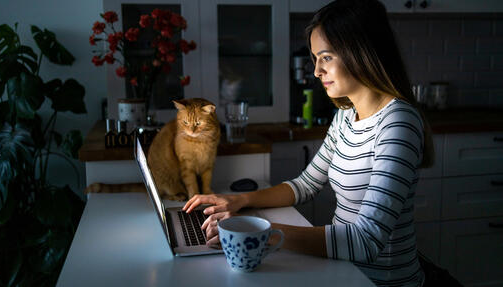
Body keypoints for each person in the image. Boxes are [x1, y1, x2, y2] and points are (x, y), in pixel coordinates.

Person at [183, 0, 434, 286]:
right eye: (316, 58)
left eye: (325, 57)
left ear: (360, 52)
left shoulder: (398, 123)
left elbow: (366, 241)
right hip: (344, 271)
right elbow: (306, 185)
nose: (316, 71)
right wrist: (239, 201)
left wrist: (260, 232)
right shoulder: (346, 115)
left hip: (382, 281)